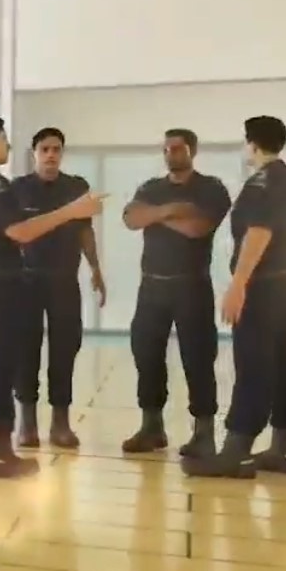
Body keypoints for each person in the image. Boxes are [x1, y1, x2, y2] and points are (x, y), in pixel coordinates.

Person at [0, 116, 104, 478]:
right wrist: (72, 211)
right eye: (3, 139)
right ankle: (0, 454)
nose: (7, 145)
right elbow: (21, 232)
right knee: (0, 364)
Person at [183, 116, 286, 479]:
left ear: (252, 144)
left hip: (264, 289)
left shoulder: (261, 183)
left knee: (254, 365)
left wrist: (239, 283)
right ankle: (280, 449)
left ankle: (235, 452)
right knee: (282, 366)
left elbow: (259, 232)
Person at [120, 129, 232, 458]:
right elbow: (131, 219)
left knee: (198, 357)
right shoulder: (151, 188)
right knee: (146, 353)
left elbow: (198, 228)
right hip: (152, 286)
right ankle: (151, 427)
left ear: (192, 150)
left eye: (178, 148)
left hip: (191, 286)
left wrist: (154, 215)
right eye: (167, 149)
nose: (171, 154)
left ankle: (204, 433)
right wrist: (172, 209)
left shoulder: (211, 188)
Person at [10, 128, 106, 450]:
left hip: (64, 280)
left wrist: (95, 268)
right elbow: (12, 233)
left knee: (65, 349)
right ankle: (26, 423)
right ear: (34, 153)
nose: (51, 155)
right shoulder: (17, 189)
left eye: (56, 149)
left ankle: (61, 423)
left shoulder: (76, 188)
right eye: (45, 149)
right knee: (25, 350)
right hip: (25, 282)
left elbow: (85, 231)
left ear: (62, 153)